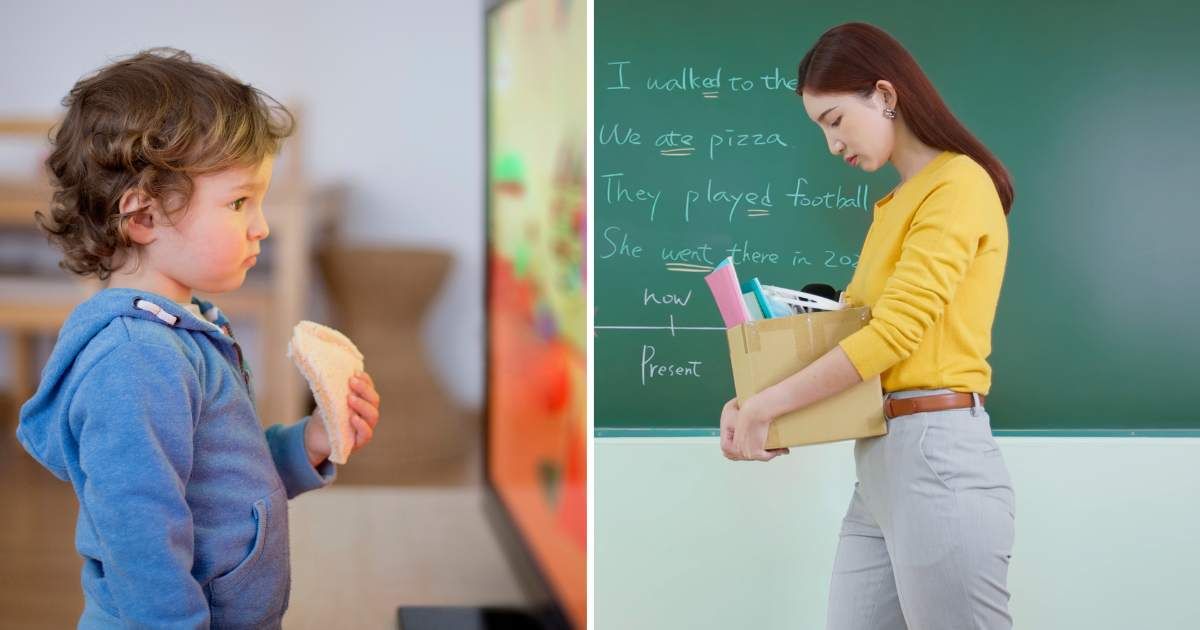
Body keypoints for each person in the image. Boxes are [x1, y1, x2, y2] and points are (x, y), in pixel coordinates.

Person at [16, 48, 382, 628]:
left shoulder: (187, 328)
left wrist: (307, 442)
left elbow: (220, 480)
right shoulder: (136, 360)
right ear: (143, 218)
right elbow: (142, 543)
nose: (262, 226)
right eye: (239, 202)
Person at [719, 22, 1016, 629]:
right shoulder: (896, 204)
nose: (833, 145)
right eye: (821, 129)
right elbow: (851, 340)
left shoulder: (958, 185)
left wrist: (767, 406)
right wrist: (752, 401)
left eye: (834, 121)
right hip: (880, 463)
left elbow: (890, 338)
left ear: (884, 95)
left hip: (936, 455)